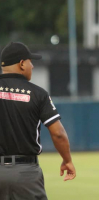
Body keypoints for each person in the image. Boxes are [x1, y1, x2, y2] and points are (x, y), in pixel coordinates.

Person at [0, 42, 76, 200]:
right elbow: (58, 134)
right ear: (22, 64)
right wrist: (67, 160)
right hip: (25, 174)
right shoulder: (38, 94)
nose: (32, 66)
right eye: (30, 61)